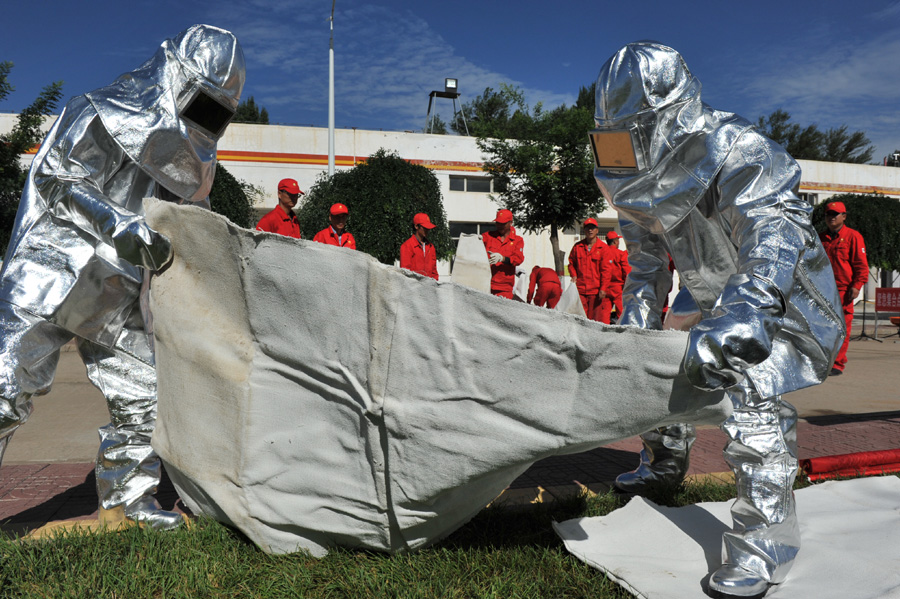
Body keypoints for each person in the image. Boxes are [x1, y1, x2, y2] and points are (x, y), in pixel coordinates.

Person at [591, 42, 843, 597]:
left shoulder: (740, 150)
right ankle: (664, 459)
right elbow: (646, 262)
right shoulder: (624, 169)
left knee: (751, 395)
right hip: (705, 293)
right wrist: (634, 331)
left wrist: (748, 309)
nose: (621, 148)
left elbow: (773, 232)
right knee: (655, 357)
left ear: (667, 119)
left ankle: (765, 541)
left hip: (778, 298)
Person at [0, 25, 245, 529]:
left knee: (143, 397)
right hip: (52, 269)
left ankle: (127, 507)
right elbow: (54, 178)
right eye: (200, 104)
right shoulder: (93, 110)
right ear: (174, 79)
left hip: (119, 296)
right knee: (4, 388)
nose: (205, 120)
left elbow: (188, 219)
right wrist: (114, 220)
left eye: (216, 113)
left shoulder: (195, 160)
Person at [819, 200, 868, 376]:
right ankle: (824, 362)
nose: (831, 218)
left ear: (844, 216)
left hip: (843, 291)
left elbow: (861, 267)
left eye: (835, 214)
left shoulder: (853, 237)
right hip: (823, 290)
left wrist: (856, 286)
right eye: (828, 215)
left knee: (841, 328)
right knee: (823, 328)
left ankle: (837, 364)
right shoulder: (820, 238)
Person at [567, 217, 605, 320]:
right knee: (580, 318)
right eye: (587, 228)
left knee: (595, 320)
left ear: (597, 230)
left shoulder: (603, 248)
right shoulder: (577, 247)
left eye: (592, 228)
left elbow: (606, 271)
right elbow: (571, 264)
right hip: (581, 290)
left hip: (596, 292)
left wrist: (603, 288)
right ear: (584, 230)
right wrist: (573, 275)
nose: (590, 230)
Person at [482, 209, 524, 299]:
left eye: (503, 224)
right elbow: (476, 244)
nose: (500, 226)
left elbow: (518, 259)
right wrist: (474, 239)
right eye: (498, 223)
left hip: (504, 288)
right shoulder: (488, 236)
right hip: (484, 284)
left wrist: (503, 258)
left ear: (510, 223)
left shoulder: (517, 240)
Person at [598, 230, 631, 324]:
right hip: (618, 288)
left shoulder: (602, 253)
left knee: (604, 314)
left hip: (604, 287)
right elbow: (626, 271)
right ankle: (623, 332)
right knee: (622, 313)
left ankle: (603, 332)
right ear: (615, 241)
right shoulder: (621, 254)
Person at [399, 213, 439, 280]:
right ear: (416, 226)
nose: (427, 230)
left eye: (428, 228)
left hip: (429, 287)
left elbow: (434, 272)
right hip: (413, 288)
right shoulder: (407, 246)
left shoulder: (431, 247)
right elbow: (405, 274)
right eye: (425, 228)